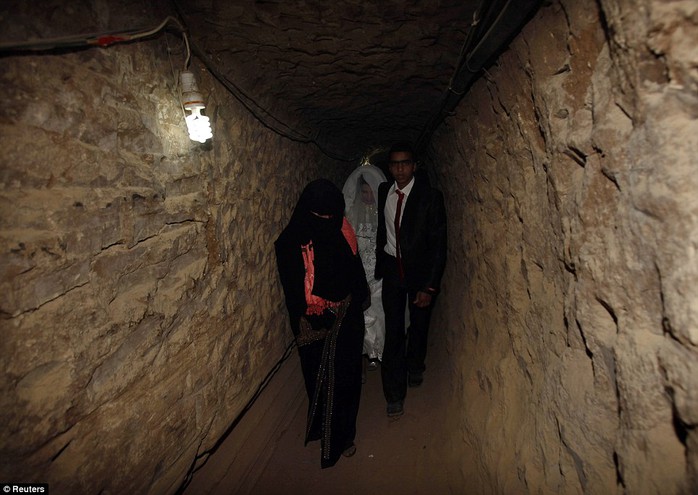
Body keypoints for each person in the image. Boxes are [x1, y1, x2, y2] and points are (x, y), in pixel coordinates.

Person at [274, 179, 369, 468]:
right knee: (318, 378)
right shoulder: (292, 242)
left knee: (346, 379)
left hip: (347, 317)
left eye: (332, 215)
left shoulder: (343, 229)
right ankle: (321, 427)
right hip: (313, 321)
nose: (328, 221)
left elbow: (355, 271)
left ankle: (343, 437)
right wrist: (313, 312)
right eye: (321, 216)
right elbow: (293, 289)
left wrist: (349, 302)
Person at [374, 142, 447, 417]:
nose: (400, 169)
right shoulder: (384, 192)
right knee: (393, 331)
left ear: (414, 166)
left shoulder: (430, 197)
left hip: (419, 270)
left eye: (405, 163)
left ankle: (415, 365)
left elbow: (439, 245)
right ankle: (394, 394)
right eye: (394, 164)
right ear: (389, 167)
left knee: (418, 323)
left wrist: (429, 285)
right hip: (393, 269)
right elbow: (384, 229)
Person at [342, 165, 388, 373]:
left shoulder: (384, 212)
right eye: (364, 192)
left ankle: (379, 350)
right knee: (363, 312)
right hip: (360, 271)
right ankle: (367, 350)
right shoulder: (352, 213)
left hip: (379, 272)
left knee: (379, 311)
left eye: (372, 192)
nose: (368, 196)